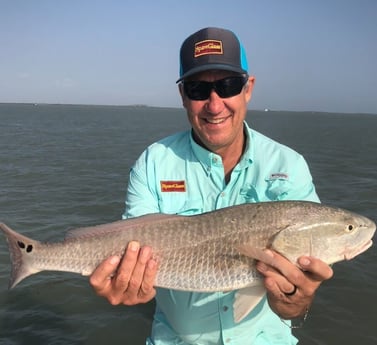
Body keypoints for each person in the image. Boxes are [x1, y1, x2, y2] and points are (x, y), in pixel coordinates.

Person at [89, 27, 333, 344]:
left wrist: (296, 301)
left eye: (228, 85)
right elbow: (129, 249)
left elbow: (294, 301)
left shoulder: (290, 166)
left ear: (249, 88)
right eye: (198, 89)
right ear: (182, 96)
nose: (215, 105)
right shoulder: (152, 163)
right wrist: (125, 282)